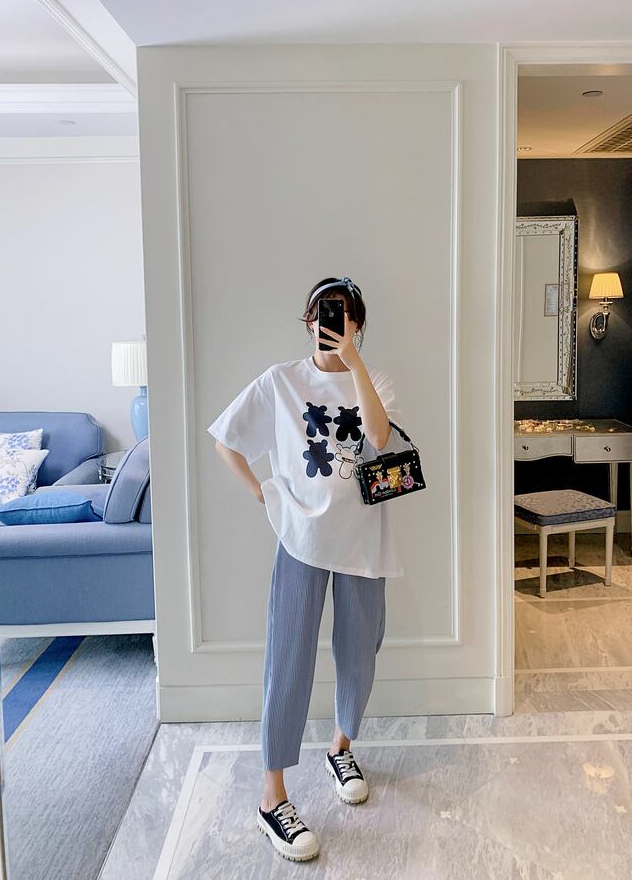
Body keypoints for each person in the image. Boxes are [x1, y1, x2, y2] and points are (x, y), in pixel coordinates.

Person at [208, 276, 405, 863]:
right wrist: (261, 493)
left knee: (360, 651)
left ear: (357, 325)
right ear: (307, 320)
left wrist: (353, 363)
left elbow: (379, 436)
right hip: (300, 539)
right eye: (321, 313)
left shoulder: (376, 381)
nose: (328, 323)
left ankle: (340, 748)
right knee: (288, 658)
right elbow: (226, 439)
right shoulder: (281, 381)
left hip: (363, 541)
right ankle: (273, 797)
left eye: (340, 314)